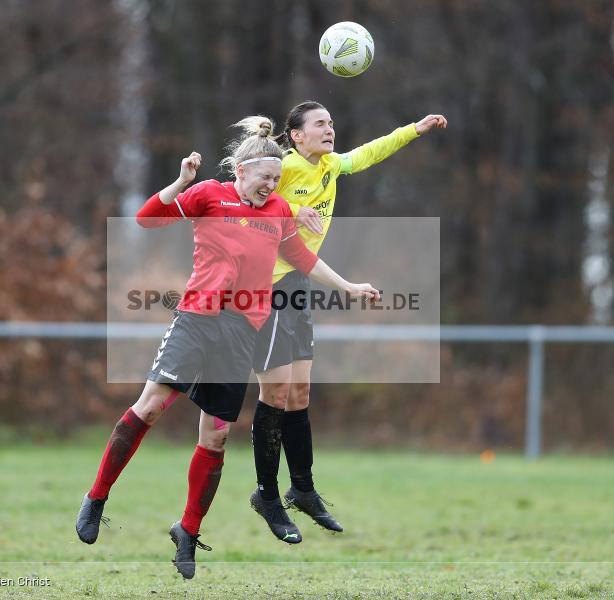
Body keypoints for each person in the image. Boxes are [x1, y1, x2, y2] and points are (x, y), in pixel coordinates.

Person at [74, 116, 379, 579]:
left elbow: (303, 259)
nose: (271, 187)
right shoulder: (208, 194)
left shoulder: (277, 210)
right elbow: (146, 219)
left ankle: (188, 532)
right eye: (264, 178)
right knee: (151, 406)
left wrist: (349, 286)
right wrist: (180, 182)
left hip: (240, 334)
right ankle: (96, 497)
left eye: (277, 180)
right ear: (239, 171)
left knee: (216, 435)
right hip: (197, 320)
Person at [249, 101, 447, 540]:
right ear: (296, 135)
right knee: (275, 395)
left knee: (299, 393)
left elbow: (370, 152)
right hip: (265, 288)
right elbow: (244, 191)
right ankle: (266, 493)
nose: (330, 129)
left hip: (296, 285)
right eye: (320, 124)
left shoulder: (331, 166)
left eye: (332, 123)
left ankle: (302, 488)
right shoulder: (282, 165)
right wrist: (285, 208)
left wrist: (414, 128)